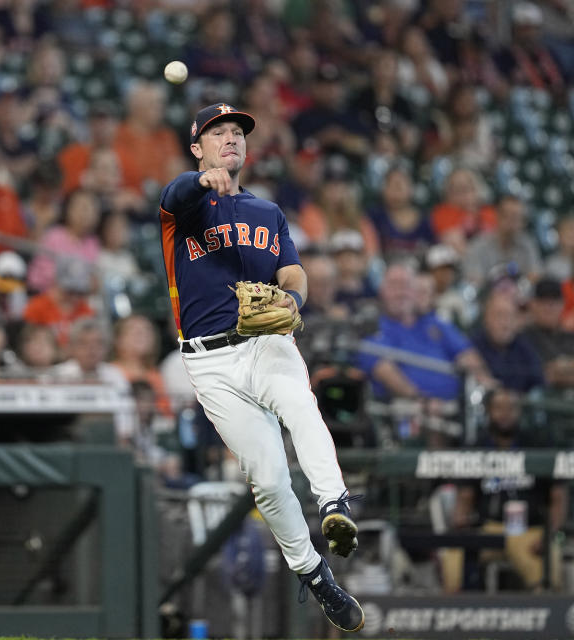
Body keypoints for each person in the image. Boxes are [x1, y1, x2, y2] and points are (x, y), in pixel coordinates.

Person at [157, 102, 364, 632]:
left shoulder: (267, 213)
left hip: (264, 341)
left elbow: (293, 273)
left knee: (301, 404)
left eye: (237, 132)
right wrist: (203, 181)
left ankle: (334, 503)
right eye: (217, 132)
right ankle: (316, 576)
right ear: (198, 147)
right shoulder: (184, 208)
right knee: (269, 479)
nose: (231, 139)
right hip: (209, 362)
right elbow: (177, 194)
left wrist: (294, 301)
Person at [450, 388, 568, 590]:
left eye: (511, 408)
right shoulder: (477, 445)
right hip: (489, 527)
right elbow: (465, 496)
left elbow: (559, 495)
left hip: (530, 530)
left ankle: (547, 617)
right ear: (488, 411)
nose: (505, 414)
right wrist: (462, 530)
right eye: (498, 408)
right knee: (454, 563)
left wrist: (549, 535)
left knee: (548, 580)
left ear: (519, 411)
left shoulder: (538, 444)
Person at [356, 262, 491, 402]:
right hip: (406, 410)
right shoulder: (373, 327)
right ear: (381, 291)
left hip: (457, 405)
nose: (401, 293)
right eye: (394, 286)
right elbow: (384, 370)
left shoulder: (436, 323)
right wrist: (421, 400)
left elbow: (467, 356)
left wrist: (489, 388)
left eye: (406, 286)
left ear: (415, 293)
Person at [521, 278, 574, 394]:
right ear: (532, 304)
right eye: (543, 301)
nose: (549, 307)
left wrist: (567, 365)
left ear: (562, 305)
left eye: (555, 301)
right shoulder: (523, 338)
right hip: (545, 402)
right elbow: (549, 375)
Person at [463, 195, 543, 286]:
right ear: (498, 216)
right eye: (508, 216)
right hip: (486, 297)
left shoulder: (528, 244)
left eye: (517, 218)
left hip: (520, 296)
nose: (512, 222)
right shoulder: (478, 245)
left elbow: (536, 275)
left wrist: (519, 288)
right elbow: (473, 279)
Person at [472, 292, 544, 392]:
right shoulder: (472, 347)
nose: (505, 323)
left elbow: (539, 382)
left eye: (510, 317)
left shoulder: (525, 348)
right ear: (486, 318)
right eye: (499, 315)